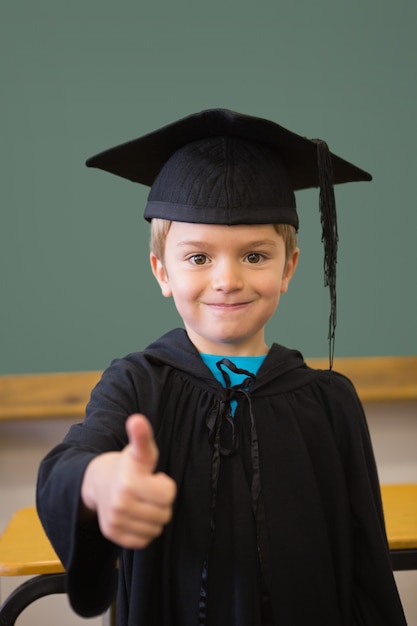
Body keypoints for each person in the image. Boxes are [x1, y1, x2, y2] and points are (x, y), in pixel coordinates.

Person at [36, 109, 407, 626]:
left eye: (255, 256)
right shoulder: (138, 384)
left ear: (289, 268)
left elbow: (366, 565)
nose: (228, 279)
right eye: (198, 258)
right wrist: (101, 481)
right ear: (161, 271)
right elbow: (70, 462)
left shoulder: (328, 401)